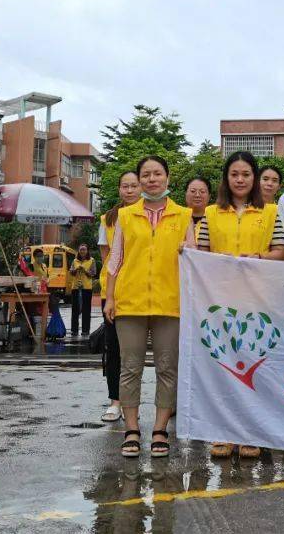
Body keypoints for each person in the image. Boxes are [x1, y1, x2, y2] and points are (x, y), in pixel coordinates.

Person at [198, 151, 284, 460]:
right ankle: (223, 433)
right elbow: (201, 254)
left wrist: (259, 258)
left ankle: (251, 433)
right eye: (234, 174)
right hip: (219, 300)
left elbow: (282, 252)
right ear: (226, 178)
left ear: (254, 178)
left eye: (246, 174)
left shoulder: (272, 212)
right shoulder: (211, 213)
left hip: (258, 300)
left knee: (254, 367)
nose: (240, 179)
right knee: (222, 367)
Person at [105, 156, 195, 458]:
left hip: (170, 304)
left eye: (158, 174)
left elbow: (194, 257)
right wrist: (110, 297)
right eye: (146, 174)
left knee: (167, 369)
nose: (152, 179)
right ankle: (131, 429)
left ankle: (160, 430)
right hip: (130, 303)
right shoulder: (127, 216)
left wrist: (188, 249)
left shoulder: (184, 216)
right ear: (140, 180)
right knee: (130, 368)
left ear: (168, 179)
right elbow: (115, 259)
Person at [97, 171, 142, 423]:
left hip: (144, 291)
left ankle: (133, 402)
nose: (129, 190)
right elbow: (107, 257)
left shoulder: (148, 214)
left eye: (133, 186)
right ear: (119, 189)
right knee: (113, 348)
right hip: (113, 291)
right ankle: (115, 401)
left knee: (134, 352)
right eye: (125, 186)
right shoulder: (108, 219)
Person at [68, 243, 96, 338]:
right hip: (75, 287)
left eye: (84, 249)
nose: (82, 251)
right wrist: (75, 270)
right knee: (75, 310)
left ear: (87, 251)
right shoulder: (75, 260)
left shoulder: (92, 260)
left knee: (86, 310)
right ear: (79, 251)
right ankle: (74, 331)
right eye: (81, 250)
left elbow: (93, 273)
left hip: (87, 288)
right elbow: (71, 272)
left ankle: (85, 330)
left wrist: (85, 271)